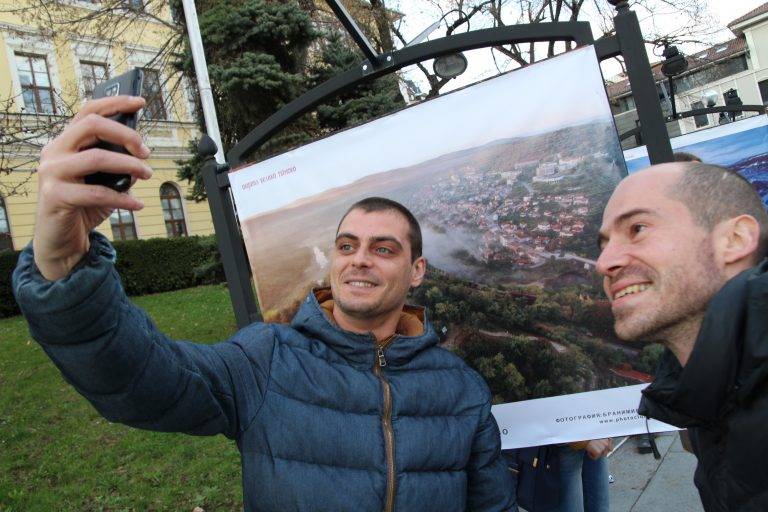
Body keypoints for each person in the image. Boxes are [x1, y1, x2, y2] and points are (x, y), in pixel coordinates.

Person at [12, 95, 516, 512]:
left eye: (383, 249)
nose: (359, 260)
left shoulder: (461, 390)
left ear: (417, 270)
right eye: (347, 246)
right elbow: (140, 378)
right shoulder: (266, 359)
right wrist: (64, 264)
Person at [595, 161, 768, 512]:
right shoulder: (717, 397)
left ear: (734, 239)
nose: (603, 263)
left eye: (638, 228)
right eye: (604, 243)